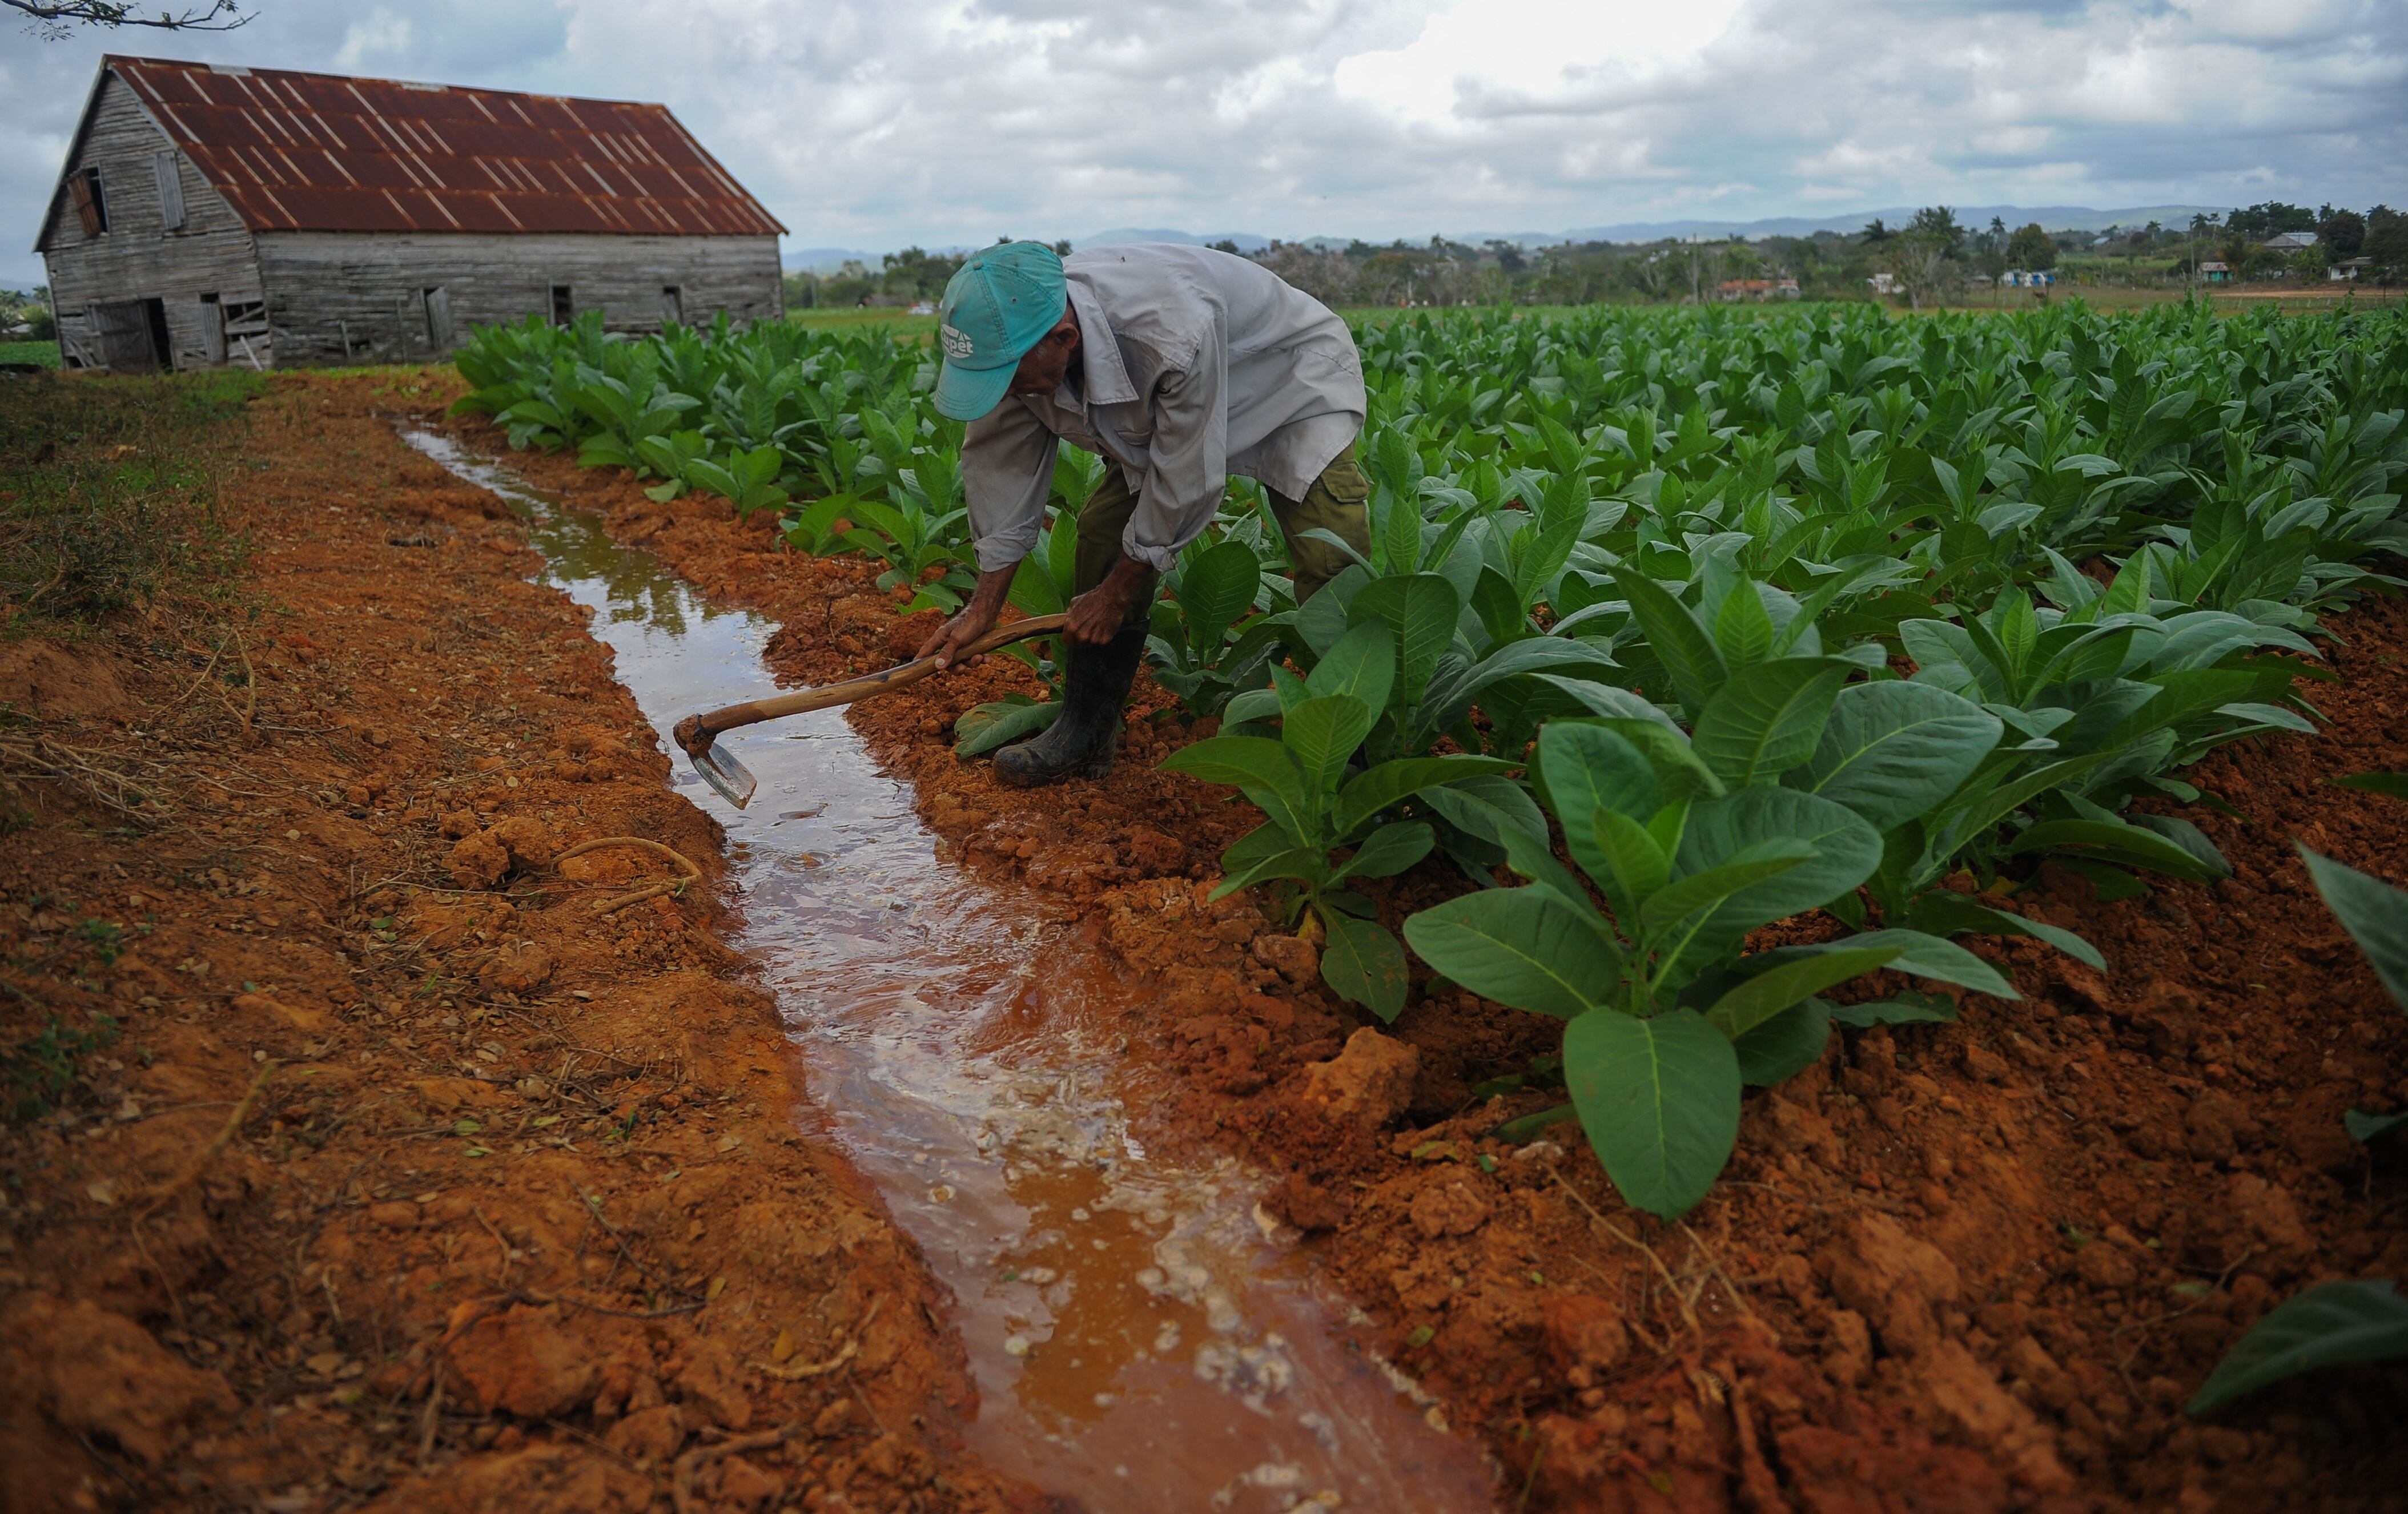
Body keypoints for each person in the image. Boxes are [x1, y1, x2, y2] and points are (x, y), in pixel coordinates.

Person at [914, 240, 1372, 786]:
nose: (1004, 390)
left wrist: (1115, 595)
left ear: (1065, 339)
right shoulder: (1016, 352)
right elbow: (999, 473)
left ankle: (1356, 763)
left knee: (1330, 561)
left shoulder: (1168, 332)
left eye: (1008, 376)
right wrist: (983, 607)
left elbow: (1187, 477)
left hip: (1288, 383)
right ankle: (1084, 734)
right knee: (1104, 533)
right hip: (1166, 406)